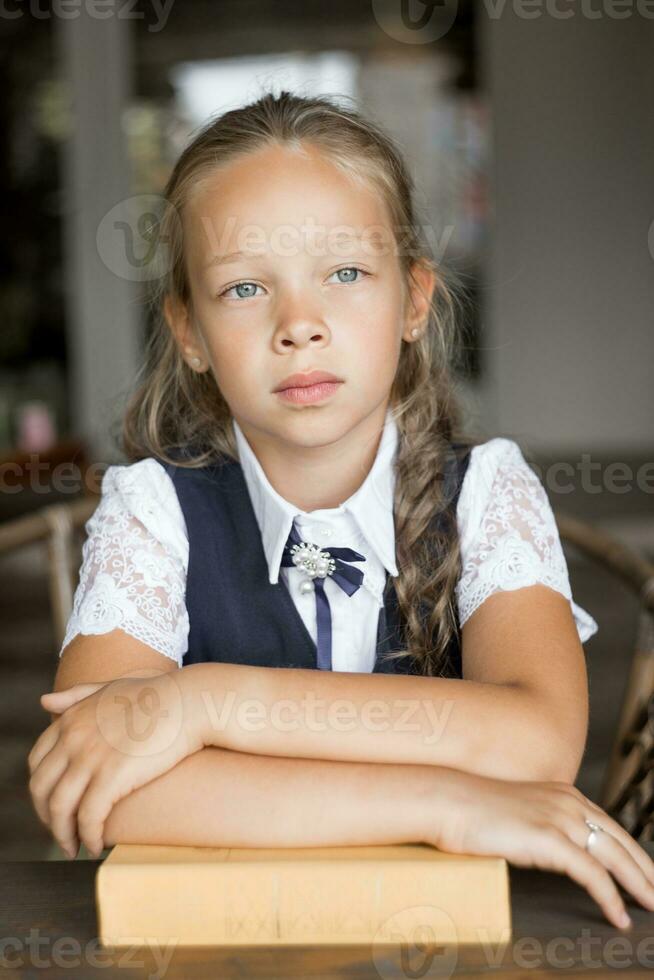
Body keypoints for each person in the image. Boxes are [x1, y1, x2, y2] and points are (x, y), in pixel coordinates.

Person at [27, 91, 654, 930]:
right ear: (189, 333)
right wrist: (447, 803)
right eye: (245, 287)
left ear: (415, 301)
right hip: (219, 940)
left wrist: (204, 704)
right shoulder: (151, 510)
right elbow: (101, 786)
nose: (300, 325)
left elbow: (537, 743)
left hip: (456, 937)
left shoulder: (488, 493)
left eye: (347, 274)